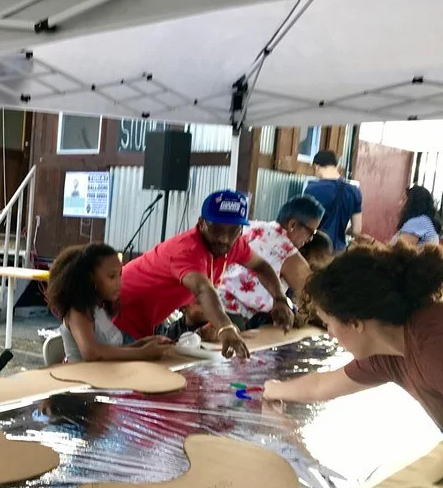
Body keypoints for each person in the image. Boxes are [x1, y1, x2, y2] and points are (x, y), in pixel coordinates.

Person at [264, 243, 443, 430]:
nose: (330, 334)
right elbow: (321, 385)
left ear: (355, 323)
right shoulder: (386, 354)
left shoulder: (432, 343)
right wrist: (273, 389)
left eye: (328, 324)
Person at [113, 190, 295, 360]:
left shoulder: (234, 244)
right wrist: (225, 326)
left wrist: (279, 299)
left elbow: (261, 266)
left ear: (241, 230)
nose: (224, 238)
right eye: (217, 229)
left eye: (233, 231)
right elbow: (202, 289)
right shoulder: (188, 249)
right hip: (120, 312)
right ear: (201, 223)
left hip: (149, 315)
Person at [47, 243, 173, 363]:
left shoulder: (98, 309)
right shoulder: (78, 312)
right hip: (84, 382)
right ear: (91, 278)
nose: (119, 282)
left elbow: (111, 350)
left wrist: (143, 343)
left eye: (120, 275)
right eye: (112, 276)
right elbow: (91, 352)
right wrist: (142, 353)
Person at [220, 194, 324, 329]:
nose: (310, 239)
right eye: (312, 232)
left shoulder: (254, 227)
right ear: (292, 225)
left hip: (212, 300)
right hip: (232, 316)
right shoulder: (286, 251)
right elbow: (314, 299)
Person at [304, 150, 362, 253]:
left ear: (316, 167)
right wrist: (342, 229)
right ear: (336, 166)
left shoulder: (312, 188)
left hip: (315, 251)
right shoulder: (354, 191)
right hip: (339, 252)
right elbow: (356, 230)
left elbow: (305, 222)